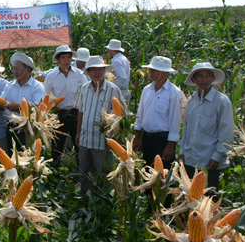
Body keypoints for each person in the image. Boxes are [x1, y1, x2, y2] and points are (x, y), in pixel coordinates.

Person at [178, 62, 235, 190]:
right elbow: (186, 128)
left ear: (213, 78)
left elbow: (227, 132)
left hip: (209, 161)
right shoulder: (192, 101)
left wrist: (217, 157)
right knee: (190, 197)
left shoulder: (221, 101)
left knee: (209, 200)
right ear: (194, 79)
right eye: (200, 76)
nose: (204, 79)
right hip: (190, 159)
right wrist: (182, 152)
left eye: (208, 76)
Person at [75, 56, 124, 194]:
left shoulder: (113, 89)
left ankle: (105, 202)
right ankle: (87, 199)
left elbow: (120, 117)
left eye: (100, 69)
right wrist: (78, 133)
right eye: (93, 70)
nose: (97, 72)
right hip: (85, 139)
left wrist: (112, 139)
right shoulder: (84, 88)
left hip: (103, 142)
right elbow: (81, 111)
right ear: (89, 72)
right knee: (84, 173)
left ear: (104, 71)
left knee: (105, 174)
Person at [133, 56, 185, 168]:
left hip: (163, 140)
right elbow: (140, 115)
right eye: (150, 69)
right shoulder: (147, 89)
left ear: (166, 73)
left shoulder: (174, 92)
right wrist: (137, 138)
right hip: (147, 138)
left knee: (162, 177)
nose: (151, 72)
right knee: (147, 174)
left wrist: (170, 145)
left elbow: (175, 121)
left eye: (155, 70)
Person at [44, 45, 88, 162]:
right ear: (58, 60)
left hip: (76, 113)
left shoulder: (80, 75)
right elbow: (47, 97)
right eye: (63, 58)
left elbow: (85, 95)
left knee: (79, 144)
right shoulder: (51, 77)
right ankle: (55, 171)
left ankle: (81, 172)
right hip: (59, 115)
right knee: (56, 146)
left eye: (68, 57)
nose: (66, 61)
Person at [3, 52, 45, 152]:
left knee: (27, 157)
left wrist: (18, 107)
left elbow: (37, 108)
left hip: (28, 129)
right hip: (11, 127)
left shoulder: (37, 87)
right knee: (12, 157)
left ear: (28, 70)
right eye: (14, 68)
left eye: (18, 68)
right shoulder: (10, 85)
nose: (14, 71)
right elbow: (2, 101)